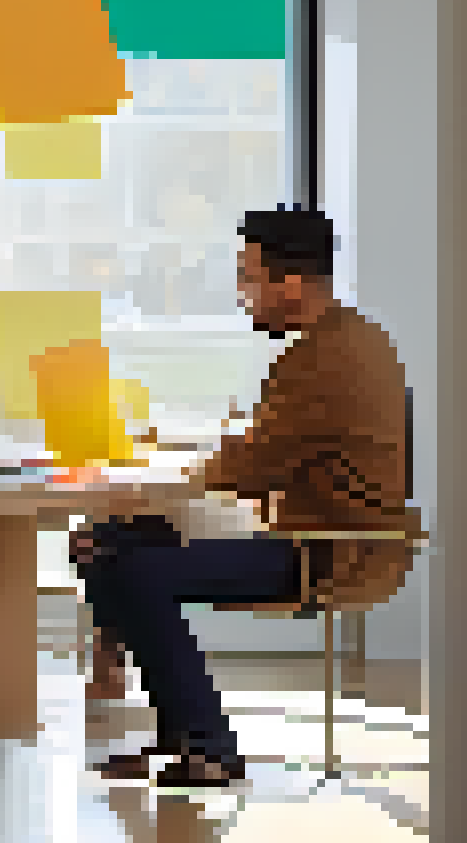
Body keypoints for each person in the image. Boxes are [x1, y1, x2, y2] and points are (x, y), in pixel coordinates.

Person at [76, 207, 419, 788]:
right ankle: (178, 730)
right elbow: (267, 450)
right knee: (107, 539)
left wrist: (153, 480)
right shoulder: (337, 340)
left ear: (289, 284)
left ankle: (209, 748)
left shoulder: (331, 357)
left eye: (248, 277)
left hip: (327, 546)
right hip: (300, 526)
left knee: (135, 566)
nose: (242, 294)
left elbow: (253, 465)